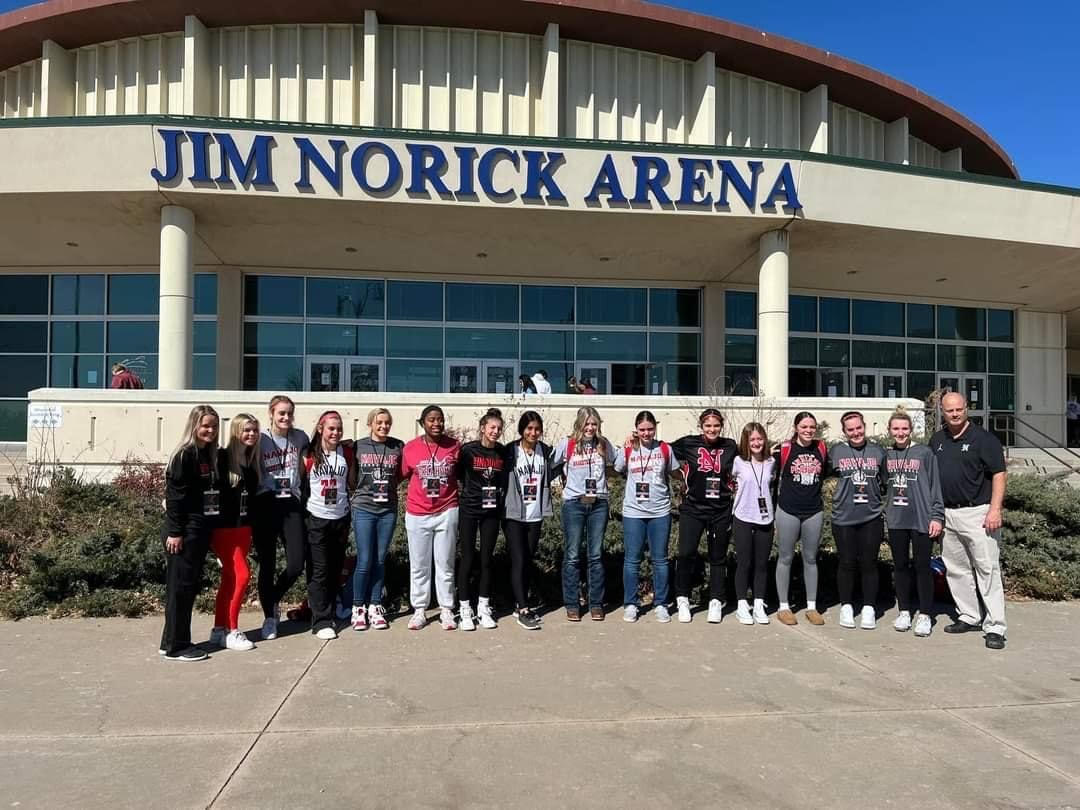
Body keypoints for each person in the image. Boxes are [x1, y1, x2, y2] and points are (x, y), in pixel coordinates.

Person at [931, 392, 1008, 650]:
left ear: (967, 409)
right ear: (942, 411)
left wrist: (995, 509)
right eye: (949, 410)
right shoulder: (937, 439)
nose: (954, 414)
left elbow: (999, 474)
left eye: (959, 409)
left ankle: (995, 626)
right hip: (948, 514)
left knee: (987, 569)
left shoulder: (984, 439)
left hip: (978, 513)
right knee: (956, 568)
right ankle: (969, 615)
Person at [160, 405, 222, 662]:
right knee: (180, 588)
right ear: (194, 426)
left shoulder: (207, 454)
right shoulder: (184, 455)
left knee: (185, 587)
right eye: (205, 425)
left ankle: (170, 641)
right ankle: (178, 646)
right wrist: (175, 532)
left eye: (214, 426)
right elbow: (174, 498)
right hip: (183, 531)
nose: (210, 430)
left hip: (198, 528)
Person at [671, 408, 738, 624]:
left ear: (721, 426)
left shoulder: (730, 446)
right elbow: (662, 449)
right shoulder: (688, 443)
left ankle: (716, 600)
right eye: (708, 425)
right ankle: (682, 597)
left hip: (720, 509)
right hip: (693, 507)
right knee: (686, 553)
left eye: (716, 425)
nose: (712, 429)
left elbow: (751, 454)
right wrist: (633, 441)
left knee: (718, 557)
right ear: (701, 426)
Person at [551, 406, 616, 621]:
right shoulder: (567, 444)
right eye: (587, 423)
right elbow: (551, 463)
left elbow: (618, 464)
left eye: (594, 424)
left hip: (598, 504)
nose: (590, 428)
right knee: (572, 555)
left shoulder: (604, 444)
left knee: (596, 555)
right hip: (574, 504)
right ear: (579, 424)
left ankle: (596, 603)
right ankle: (572, 603)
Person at [883, 410, 944, 638]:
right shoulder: (886, 456)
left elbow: (935, 486)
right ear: (890, 430)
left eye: (904, 428)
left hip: (921, 518)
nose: (900, 433)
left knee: (922, 567)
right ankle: (904, 611)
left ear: (911, 430)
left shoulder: (924, 453)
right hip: (897, 519)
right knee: (900, 566)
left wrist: (937, 516)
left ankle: (926, 614)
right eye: (896, 429)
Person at [254, 396, 309, 641]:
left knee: (297, 563)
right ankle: (269, 617)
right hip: (267, 502)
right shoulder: (261, 439)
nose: (286, 418)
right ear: (271, 413)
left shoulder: (300, 438)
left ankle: (273, 597)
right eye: (281, 414)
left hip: (293, 502)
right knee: (267, 564)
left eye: (289, 413)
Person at [614, 410, 678, 623]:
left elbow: (675, 472)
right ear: (636, 430)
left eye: (650, 429)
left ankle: (661, 603)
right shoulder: (629, 449)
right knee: (632, 560)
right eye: (642, 429)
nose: (646, 433)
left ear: (655, 428)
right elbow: (616, 469)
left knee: (660, 560)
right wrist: (625, 447)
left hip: (660, 511)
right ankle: (631, 603)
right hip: (633, 511)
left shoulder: (665, 449)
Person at [401, 405, 461, 630]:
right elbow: (402, 475)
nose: (436, 424)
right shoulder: (411, 448)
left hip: (447, 509)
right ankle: (419, 609)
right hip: (417, 512)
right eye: (431, 420)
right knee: (419, 564)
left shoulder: (454, 446)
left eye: (440, 420)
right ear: (422, 423)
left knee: (445, 562)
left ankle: (446, 608)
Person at [829, 411, 888, 630]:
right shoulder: (836, 451)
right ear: (844, 432)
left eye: (858, 427)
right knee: (846, 562)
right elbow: (824, 475)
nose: (856, 432)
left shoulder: (878, 451)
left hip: (871, 516)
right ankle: (846, 606)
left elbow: (885, 483)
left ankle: (869, 607)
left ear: (864, 426)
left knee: (869, 563)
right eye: (850, 429)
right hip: (843, 516)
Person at [299, 411, 355, 640]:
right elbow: (301, 486)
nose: (336, 432)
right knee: (319, 570)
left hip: (340, 518)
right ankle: (320, 620)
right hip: (317, 518)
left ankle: (331, 609)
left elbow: (351, 482)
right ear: (321, 428)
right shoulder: (309, 454)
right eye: (331, 428)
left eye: (339, 428)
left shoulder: (347, 452)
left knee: (334, 567)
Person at [208, 413, 261, 652]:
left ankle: (219, 629)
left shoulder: (251, 460)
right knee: (242, 575)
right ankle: (231, 630)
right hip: (224, 529)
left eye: (254, 430)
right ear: (236, 431)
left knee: (229, 579)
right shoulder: (221, 458)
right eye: (246, 430)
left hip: (244, 529)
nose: (251, 434)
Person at [349, 408, 403, 631]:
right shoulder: (357, 446)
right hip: (363, 507)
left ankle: (375, 605)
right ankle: (358, 607)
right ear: (370, 424)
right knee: (364, 559)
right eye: (379, 422)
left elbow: (400, 474)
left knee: (380, 559)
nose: (384, 426)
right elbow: (351, 475)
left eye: (387, 423)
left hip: (387, 509)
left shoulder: (398, 446)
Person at [772, 412, 827, 627]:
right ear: (796, 428)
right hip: (787, 510)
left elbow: (826, 473)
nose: (808, 430)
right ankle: (783, 606)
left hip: (814, 510)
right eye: (804, 426)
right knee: (785, 557)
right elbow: (767, 471)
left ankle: (811, 606)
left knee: (811, 558)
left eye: (812, 427)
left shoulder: (821, 448)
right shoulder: (784, 449)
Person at [456, 408, 508, 630]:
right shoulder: (468, 451)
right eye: (491, 428)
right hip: (469, 508)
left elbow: (504, 479)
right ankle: (465, 608)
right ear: (482, 429)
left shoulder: (502, 453)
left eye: (499, 428)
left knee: (486, 559)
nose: (495, 432)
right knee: (467, 558)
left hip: (491, 511)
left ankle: (484, 606)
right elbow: (459, 475)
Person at [502, 410, 553, 630]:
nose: (533, 433)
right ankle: (523, 608)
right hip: (513, 513)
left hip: (535, 514)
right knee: (519, 559)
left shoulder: (545, 451)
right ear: (522, 429)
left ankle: (517, 601)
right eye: (529, 428)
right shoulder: (510, 451)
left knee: (528, 559)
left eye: (537, 429)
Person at [731, 422, 776, 626]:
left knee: (761, 565)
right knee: (744, 563)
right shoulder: (738, 462)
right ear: (746, 442)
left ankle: (759, 603)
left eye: (759, 439)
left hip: (765, 518)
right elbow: (728, 482)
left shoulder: (772, 462)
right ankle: (742, 604)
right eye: (752, 440)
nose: (756, 443)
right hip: (742, 516)